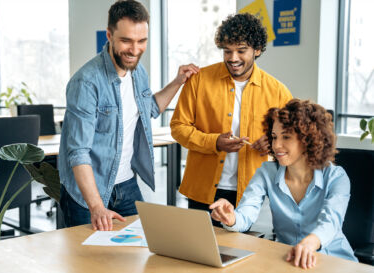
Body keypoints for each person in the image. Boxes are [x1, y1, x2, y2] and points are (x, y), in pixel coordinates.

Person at [58, 0, 199, 231]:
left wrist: (177, 82)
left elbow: (149, 109)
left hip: (125, 183)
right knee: (89, 262)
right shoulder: (86, 82)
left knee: (140, 251)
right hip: (88, 194)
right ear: (109, 35)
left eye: (141, 41)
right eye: (126, 41)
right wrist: (96, 206)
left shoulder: (137, 72)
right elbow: (78, 152)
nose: (134, 50)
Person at [170, 13, 292, 225]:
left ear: (257, 50)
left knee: (240, 255)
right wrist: (215, 142)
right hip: (201, 190)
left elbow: (292, 138)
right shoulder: (199, 81)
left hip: (250, 193)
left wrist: (272, 144)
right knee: (197, 253)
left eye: (241, 50)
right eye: (227, 50)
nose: (233, 58)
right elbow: (178, 127)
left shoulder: (278, 92)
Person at [210, 99, 358, 268]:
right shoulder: (266, 172)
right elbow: (246, 214)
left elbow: (330, 223)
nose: (276, 145)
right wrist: (231, 218)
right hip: (290, 261)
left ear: (307, 139)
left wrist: (308, 244)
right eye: (274, 137)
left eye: (286, 137)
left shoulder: (336, 177)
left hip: (334, 262)